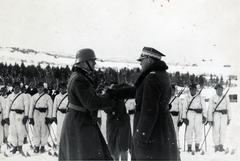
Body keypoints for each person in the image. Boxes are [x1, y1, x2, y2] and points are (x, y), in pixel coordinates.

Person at [108, 47, 180, 160]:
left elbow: (149, 110)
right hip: (162, 125)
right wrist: (114, 93)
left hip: (152, 130)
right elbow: (137, 91)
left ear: (150, 60)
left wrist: (142, 136)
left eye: (142, 59)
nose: (140, 63)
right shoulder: (162, 74)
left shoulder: (151, 77)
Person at [58, 48, 115, 160]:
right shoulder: (80, 79)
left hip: (79, 121)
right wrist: (109, 96)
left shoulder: (78, 76)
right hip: (80, 124)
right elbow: (91, 103)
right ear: (83, 62)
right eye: (92, 60)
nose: (94, 63)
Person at [104, 83, 132, 161]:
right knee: (112, 145)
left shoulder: (120, 96)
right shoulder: (108, 96)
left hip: (122, 122)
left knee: (123, 145)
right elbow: (105, 108)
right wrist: (112, 112)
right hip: (113, 123)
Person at [28, 82, 53, 153]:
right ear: (37, 88)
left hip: (44, 114)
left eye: (41, 87)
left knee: (44, 130)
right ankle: (36, 145)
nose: (40, 88)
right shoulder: (33, 97)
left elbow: (50, 108)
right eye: (38, 87)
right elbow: (31, 108)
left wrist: (48, 117)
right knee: (36, 130)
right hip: (36, 114)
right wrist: (30, 117)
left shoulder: (47, 97)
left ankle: (42, 146)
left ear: (43, 88)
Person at [4, 82, 28, 155]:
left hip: (20, 115)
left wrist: (26, 116)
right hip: (12, 114)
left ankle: (20, 146)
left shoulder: (23, 96)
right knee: (13, 130)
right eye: (15, 87)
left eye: (18, 87)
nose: (16, 88)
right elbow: (7, 107)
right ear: (13, 87)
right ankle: (15, 146)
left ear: (20, 88)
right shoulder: (10, 96)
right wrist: (6, 117)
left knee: (20, 130)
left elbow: (26, 105)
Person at [182, 84, 207, 152]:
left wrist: (205, 116)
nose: (192, 90)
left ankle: (197, 146)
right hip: (189, 114)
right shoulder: (186, 97)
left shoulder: (200, 97)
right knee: (189, 130)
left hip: (198, 115)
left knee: (198, 130)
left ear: (196, 90)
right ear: (189, 90)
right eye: (191, 89)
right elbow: (184, 108)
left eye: (194, 89)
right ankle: (189, 146)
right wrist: (184, 118)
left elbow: (204, 107)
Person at [207, 84, 232, 152]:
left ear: (222, 90)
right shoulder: (212, 98)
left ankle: (221, 145)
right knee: (216, 130)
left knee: (223, 130)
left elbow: (229, 108)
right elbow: (209, 109)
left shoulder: (226, 97)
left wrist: (229, 118)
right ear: (215, 90)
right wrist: (210, 119)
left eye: (220, 89)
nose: (219, 91)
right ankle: (216, 145)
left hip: (224, 115)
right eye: (217, 89)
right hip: (216, 115)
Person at [169, 84, 183, 149]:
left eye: (173, 90)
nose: (171, 91)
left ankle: (176, 145)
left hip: (175, 117)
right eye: (170, 90)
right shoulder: (166, 99)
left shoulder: (178, 100)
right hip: (168, 117)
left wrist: (180, 120)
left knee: (175, 131)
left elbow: (181, 110)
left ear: (174, 90)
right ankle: (168, 145)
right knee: (167, 130)